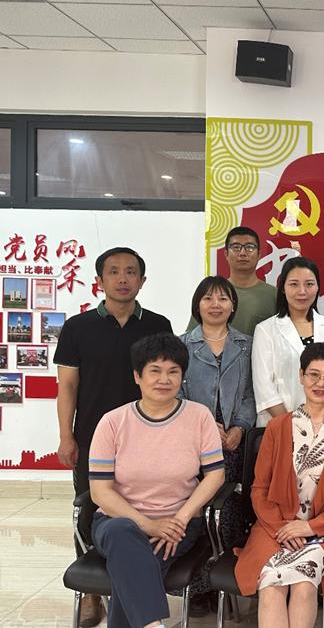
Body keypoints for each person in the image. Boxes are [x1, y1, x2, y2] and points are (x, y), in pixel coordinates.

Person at [54, 246, 173, 627]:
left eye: (131, 272)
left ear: (142, 280)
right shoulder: (78, 327)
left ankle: (130, 581)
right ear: (100, 280)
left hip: (149, 438)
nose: (123, 278)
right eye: (114, 271)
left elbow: (168, 381)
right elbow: (67, 387)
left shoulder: (158, 324)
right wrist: (66, 436)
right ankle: (92, 595)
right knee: (92, 511)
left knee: (141, 511)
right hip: (92, 437)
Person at [88, 333, 226, 628]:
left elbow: (216, 475)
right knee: (124, 534)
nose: (164, 379)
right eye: (155, 371)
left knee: (129, 568)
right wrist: (148, 525)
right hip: (115, 522)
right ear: (137, 376)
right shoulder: (112, 422)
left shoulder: (199, 417)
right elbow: (100, 492)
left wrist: (180, 519)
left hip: (178, 524)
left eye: (173, 371)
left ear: (182, 377)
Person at [235, 342, 324, 628]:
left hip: (323, 531)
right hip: (274, 528)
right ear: (301, 376)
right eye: (314, 375)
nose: (321, 383)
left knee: (304, 585)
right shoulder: (278, 427)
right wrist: (282, 528)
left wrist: (310, 527)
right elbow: (259, 489)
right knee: (271, 588)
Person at [178, 276, 256, 615]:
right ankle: (199, 589)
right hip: (192, 442)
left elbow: (252, 392)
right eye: (208, 298)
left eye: (223, 298)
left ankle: (226, 583)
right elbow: (176, 393)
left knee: (231, 513)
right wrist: (205, 425)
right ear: (197, 305)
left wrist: (240, 426)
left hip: (235, 443)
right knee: (197, 511)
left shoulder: (247, 345)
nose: (215, 305)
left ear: (233, 305)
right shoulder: (182, 345)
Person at [253, 257, 324, 426]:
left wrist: (320, 421)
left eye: (309, 284)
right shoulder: (265, 330)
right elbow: (264, 387)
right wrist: (294, 425)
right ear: (283, 288)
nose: (302, 291)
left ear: (317, 287)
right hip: (279, 424)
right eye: (294, 284)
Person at [187, 226, 277, 337]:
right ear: (226, 254)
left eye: (250, 247)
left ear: (259, 254)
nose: (242, 253)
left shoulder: (274, 295)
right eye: (236, 247)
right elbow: (191, 338)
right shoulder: (210, 293)